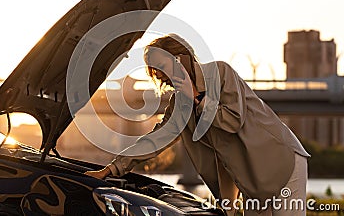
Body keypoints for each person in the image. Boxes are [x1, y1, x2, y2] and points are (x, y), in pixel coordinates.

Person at [85, 33, 310, 216]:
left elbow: (233, 120)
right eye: (153, 70)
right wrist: (111, 169)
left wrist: (197, 98)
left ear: (181, 58)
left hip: (280, 162)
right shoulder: (179, 105)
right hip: (251, 179)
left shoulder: (220, 74)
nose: (159, 75)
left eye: (161, 66)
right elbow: (156, 139)